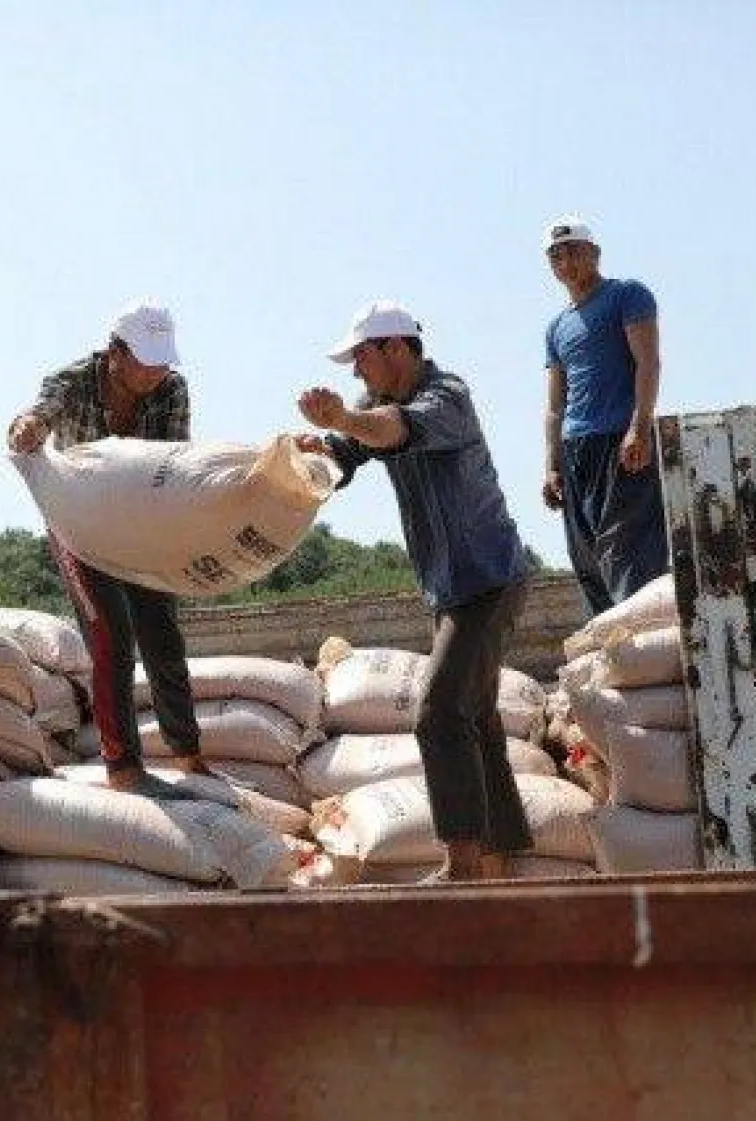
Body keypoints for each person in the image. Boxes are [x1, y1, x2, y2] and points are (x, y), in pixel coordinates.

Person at [295, 300, 532, 881]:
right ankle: (499, 854)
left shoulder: (446, 396)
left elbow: (391, 432)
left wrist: (344, 423)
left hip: (488, 579)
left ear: (394, 349)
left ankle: (463, 862)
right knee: (475, 717)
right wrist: (312, 452)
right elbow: (347, 453)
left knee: (438, 712)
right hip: (451, 587)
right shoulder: (375, 405)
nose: (356, 373)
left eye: (361, 358)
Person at [7, 299, 216, 802]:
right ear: (115, 353)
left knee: (162, 634)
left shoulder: (171, 389)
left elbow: (176, 459)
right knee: (111, 635)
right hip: (80, 525)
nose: (156, 372)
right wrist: (27, 428)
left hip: (141, 526)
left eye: (162, 360)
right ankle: (122, 765)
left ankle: (187, 753)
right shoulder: (72, 381)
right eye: (145, 360)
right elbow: (38, 414)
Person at [541, 216, 669, 615]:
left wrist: (639, 428)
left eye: (575, 252)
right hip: (576, 448)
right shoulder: (556, 327)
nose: (566, 263)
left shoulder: (626, 296)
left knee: (627, 550)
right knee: (587, 558)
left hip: (620, 440)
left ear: (595, 253)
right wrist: (551, 463)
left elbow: (648, 363)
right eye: (556, 256)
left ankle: (642, 636)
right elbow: (554, 404)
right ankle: (610, 649)